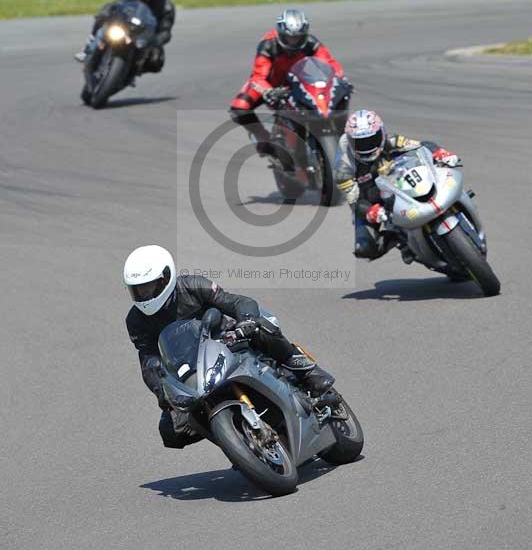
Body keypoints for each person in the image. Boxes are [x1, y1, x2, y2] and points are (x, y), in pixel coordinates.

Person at [124, 245, 334, 449]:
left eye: (149, 287)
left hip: (228, 339)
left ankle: (307, 373)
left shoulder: (193, 286)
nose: (144, 295)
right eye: (138, 290)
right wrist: (162, 392)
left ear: (166, 277)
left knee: (263, 328)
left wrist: (246, 321)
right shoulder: (135, 320)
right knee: (171, 431)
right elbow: (147, 359)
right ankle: (239, 441)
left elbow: (236, 302)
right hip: (190, 369)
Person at [334, 109, 460, 261]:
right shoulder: (343, 170)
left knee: (440, 172)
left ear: (381, 133)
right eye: (360, 143)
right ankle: (398, 239)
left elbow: (419, 146)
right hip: (369, 200)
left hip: (398, 181)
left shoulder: (391, 140)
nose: (367, 147)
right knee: (365, 247)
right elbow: (354, 201)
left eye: (371, 140)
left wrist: (439, 152)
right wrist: (370, 211)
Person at [229, 9, 346, 157]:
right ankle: (262, 137)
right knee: (239, 108)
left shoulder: (311, 43)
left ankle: (342, 140)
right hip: (269, 84)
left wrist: (341, 78)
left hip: (297, 83)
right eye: (289, 38)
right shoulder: (268, 45)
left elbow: (329, 63)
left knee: (333, 100)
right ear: (280, 33)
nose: (293, 42)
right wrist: (268, 91)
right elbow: (258, 77)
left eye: (298, 38)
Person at [75, 0, 175, 73]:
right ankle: (89, 46)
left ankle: (133, 72)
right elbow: (116, 5)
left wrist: (155, 41)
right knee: (103, 19)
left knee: (156, 60)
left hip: (146, 37)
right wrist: (107, 11)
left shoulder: (167, 7)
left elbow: (165, 31)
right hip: (126, 26)